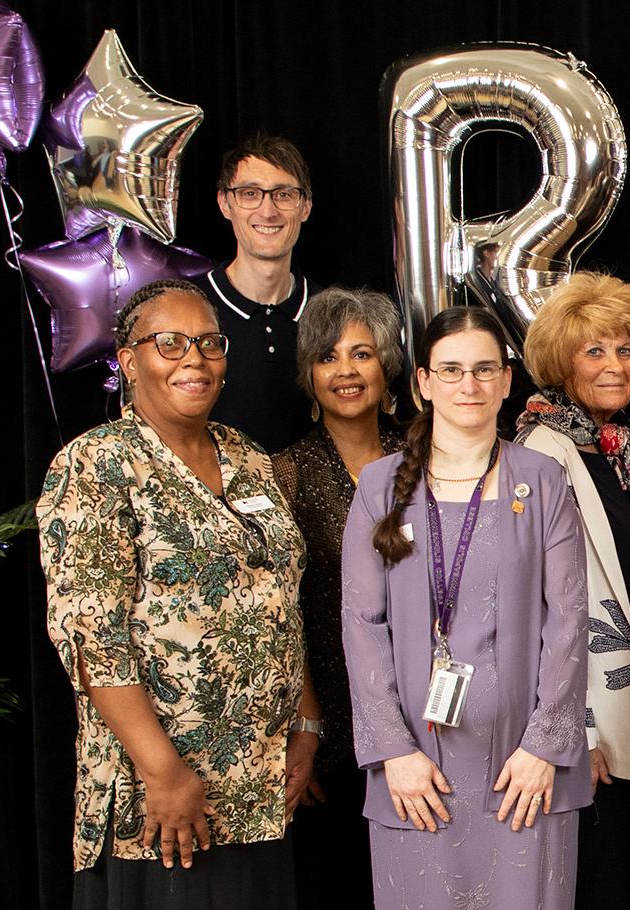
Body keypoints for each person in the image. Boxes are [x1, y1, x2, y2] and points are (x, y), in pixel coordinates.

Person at [37, 279, 311, 909]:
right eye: (169, 343)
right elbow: (90, 638)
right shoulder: (95, 464)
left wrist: (307, 721)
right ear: (129, 361)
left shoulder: (247, 456)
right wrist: (163, 772)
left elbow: (281, 598)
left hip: (258, 783)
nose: (194, 358)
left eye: (209, 343)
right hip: (162, 798)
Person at [342, 305, 590, 909]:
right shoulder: (380, 486)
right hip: (416, 773)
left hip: (524, 774)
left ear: (507, 381)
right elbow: (361, 624)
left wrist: (544, 748)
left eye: (484, 369)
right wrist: (393, 752)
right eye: (450, 370)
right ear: (423, 383)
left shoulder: (545, 479)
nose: (469, 385)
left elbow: (570, 620)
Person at [512, 273, 630, 907]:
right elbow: (535, 606)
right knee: (603, 871)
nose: (614, 365)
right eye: (594, 351)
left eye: (625, 350)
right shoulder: (540, 450)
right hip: (593, 705)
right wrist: (573, 726)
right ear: (562, 362)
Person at [271, 287, 406, 906]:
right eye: (329, 357)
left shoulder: (430, 457)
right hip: (335, 730)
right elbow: (274, 614)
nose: (347, 371)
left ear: (389, 364)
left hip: (434, 717)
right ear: (309, 374)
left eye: (363, 353)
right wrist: (307, 724)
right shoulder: (282, 474)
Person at [205, 133, 320, 453]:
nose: (267, 211)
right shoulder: (191, 310)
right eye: (250, 194)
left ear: (305, 206)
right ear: (225, 204)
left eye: (283, 194)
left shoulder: (331, 315)